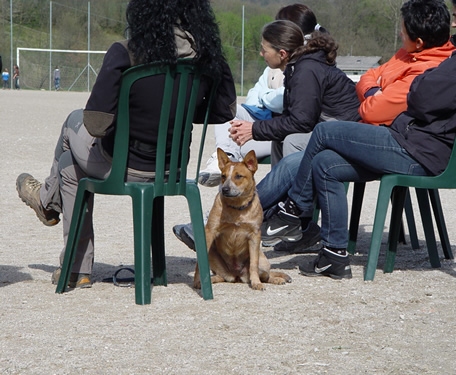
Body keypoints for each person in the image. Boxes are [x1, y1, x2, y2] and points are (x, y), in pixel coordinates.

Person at [262, 0, 456, 279]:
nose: (453, 24)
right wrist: (407, 89)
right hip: (417, 144)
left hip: (418, 150)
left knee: (325, 132)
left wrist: (411, 88)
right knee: (325, 162)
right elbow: (413, 90)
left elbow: (420, 95)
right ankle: (333, 256)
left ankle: (294, 209)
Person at [16, 0, 236, 288]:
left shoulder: (125, 52)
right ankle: (70, 255)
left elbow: (95, 124)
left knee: (72, 126)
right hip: (173, 168)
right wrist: (176, 108)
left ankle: (52, 216)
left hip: (124, 166)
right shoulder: (208, 57)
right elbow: (223, 111)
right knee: (69, 168)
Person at [198, 3, 333, 187]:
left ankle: (239, 197)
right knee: (228, 111)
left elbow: (282, 101)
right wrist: (265, 98)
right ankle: (227, 163)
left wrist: (265, 97)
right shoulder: (276, 61)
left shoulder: (306, 65)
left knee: (237, 154)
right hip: (268, 123)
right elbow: (255, 95)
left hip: (283, 130)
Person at [229, 19, 360, 166]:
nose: (261, 54)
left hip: (349, 136)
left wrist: (254, 129)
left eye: (264, 50)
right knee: (280, 138)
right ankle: (280, 188)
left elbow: (301, 122)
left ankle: (297, 190)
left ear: (282, 54)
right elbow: (296, 119)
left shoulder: (306, 71)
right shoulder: (297, 68)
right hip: (331, 128)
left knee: (294, 141)